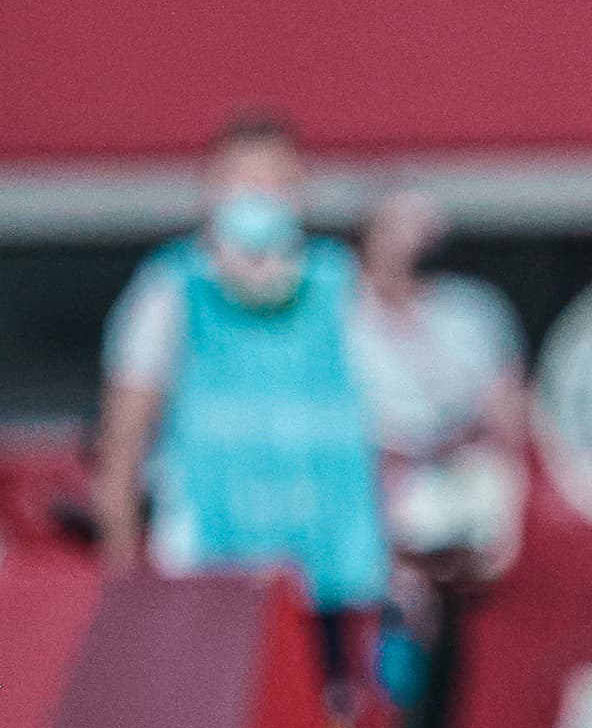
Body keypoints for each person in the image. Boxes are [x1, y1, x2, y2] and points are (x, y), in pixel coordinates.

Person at [95, 110, 386, 675]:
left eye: (274, 182)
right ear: (209, 192)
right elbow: (122, 447)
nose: (259, 196)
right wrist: (123, 588)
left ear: (300, 193)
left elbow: (401, 424)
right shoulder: (171, 292)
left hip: (326, 587)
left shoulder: (343, 287)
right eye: (242, 181)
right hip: (207, 577)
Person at [351, 187, 528, 728]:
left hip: (444, 549)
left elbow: (505, 418)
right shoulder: (336, 315)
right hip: (358, 559)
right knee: (355, 717)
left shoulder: (470, 315)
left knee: (424, 721)